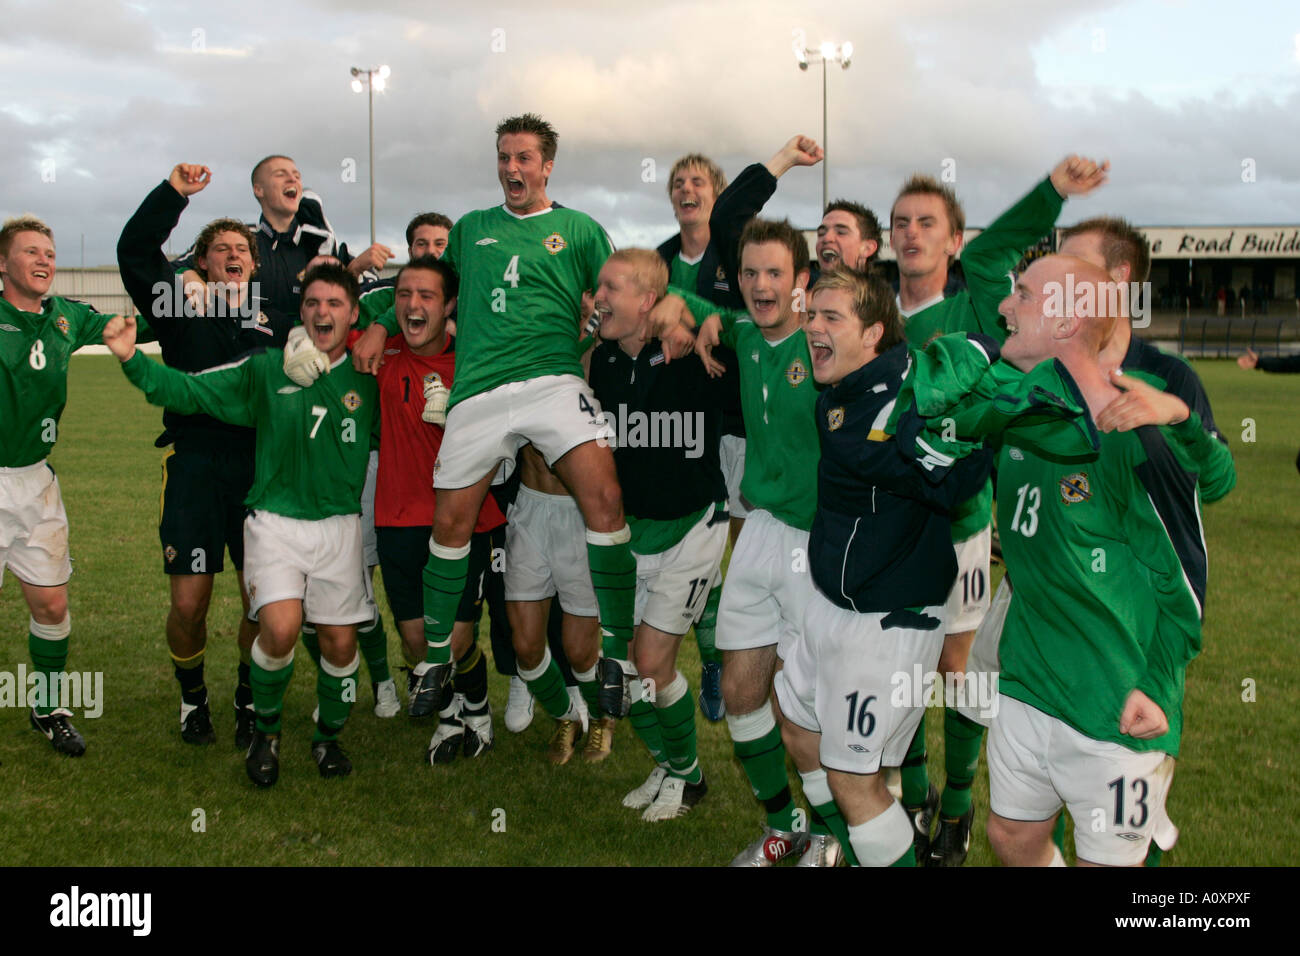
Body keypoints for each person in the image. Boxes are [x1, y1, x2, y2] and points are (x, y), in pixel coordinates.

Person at [348, 114, 635, 724]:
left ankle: (617, 658)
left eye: (525, 158)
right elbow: (420, 285)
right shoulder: (473, 229)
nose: (512, 169)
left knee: (605, 497)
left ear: (548, 164)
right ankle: (433, 662)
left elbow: (621, 292)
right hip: (479, 387)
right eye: (504, 157)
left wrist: (621, 320)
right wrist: (376, 317)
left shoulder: (580, 229)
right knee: (449, 521)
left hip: (555, 379)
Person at [886, 157, 1107, 864]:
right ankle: (916, 792)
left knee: (959, 667)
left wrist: (1053, 192)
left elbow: (995, 252)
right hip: (889, 517)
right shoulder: (871, 313)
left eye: (928, 222)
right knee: (902, 663)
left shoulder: (978, 302)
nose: (911, 232)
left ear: (953, 242)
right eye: (901, 222)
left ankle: (956, 805)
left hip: (959, 521)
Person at [103, 263, 379, 787]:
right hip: (274, 522)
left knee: (341, 648)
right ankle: (266, 733)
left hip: (339, 528)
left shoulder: (370, 376)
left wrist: (384, 331)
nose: (323, 312)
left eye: (336, 304)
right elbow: (192, 392)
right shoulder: (266, 369)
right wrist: (130, 359)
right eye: (313, 303)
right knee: (279, 628)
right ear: (301, 312)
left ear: (354, 314)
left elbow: (407, 309)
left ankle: (327, 738)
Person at [985, 255, 1205, 866]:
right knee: (1011, 839)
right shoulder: (1016, 416)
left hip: (1116, 698)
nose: (1005, 306)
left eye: (1022, 295)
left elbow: (1185, 582)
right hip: (1028, 679)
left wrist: (1158, 685)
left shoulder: (1133, 435)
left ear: (1065, 320)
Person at [774, 268, 997, 866]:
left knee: (853, 781)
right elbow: (892, 462)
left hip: (886, 623)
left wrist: (955, 438)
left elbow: (957, 480)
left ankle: (896, 852)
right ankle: (865, 850)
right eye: (812, 315)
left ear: (873, 332)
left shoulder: (907, 393)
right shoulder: (842, 395)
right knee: (797, 728)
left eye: (831, 318)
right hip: (831, 605)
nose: (813, 328)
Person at [117, 163, 295, 748]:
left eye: (242, 247)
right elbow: (135, 250)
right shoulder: (177, 305)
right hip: (194, 466)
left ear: (255, 261)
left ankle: (247, 696)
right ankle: (193, 698)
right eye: (220, 248)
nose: (234, 253)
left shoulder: (276, 318)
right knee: (190, 603)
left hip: (258, 471)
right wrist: (173, 195)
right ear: (200, 263)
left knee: (257, 599)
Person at [691, 217, 848, 865]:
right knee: (739, 692)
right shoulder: (745, 335)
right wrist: (699, 314)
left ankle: (838, 831)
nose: (759, 285)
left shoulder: (825, 348)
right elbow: (705, 309)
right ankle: (783, 826)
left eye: (774, 273)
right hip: (757, 531)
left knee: (806, 710)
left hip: (819, 546)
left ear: (802, 282)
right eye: (750, 273)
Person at [0, 216, 149, 756]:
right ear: (2, 264)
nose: (44, 260)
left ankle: (48, 707)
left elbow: (134, 328)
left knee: (52, 606)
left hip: (35, 482)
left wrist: (191, 300)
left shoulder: (66, 317)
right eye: (30, 252)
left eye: (49, 252)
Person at [589, 248, 728, 820]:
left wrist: (690, 316)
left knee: (651, 661)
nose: (598, 298)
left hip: (694, 522)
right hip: (632, 533)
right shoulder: (601, 362)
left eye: (611, 288)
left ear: (649, 300)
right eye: (598, 287)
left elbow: (746, 319)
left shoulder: (694, 349)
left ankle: (689, 779)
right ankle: (671, 765)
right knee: (621, 669)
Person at [370, 255, 503, 763]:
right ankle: (448, 721)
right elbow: (334, 313)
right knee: (415, 640)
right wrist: (376, 329)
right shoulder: (382, 356)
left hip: (463, 520)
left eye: (426, 295)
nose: (413, 304)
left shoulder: (475, 363)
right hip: (396, 518)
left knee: (458, 636)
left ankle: (479, 711)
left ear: (449, 305)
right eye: (404, 294)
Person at [655, 153, 740, 723]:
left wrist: (691, 309)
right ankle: (711, 659)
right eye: (679, 183)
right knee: (698, 547)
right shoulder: (659, 259)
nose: (688, 190)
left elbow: (745, 317)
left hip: (732, 417)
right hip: (673, 419)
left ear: (718, 194)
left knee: (739, 545)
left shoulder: (732, 255)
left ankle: (753, 655)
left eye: (699, 182)